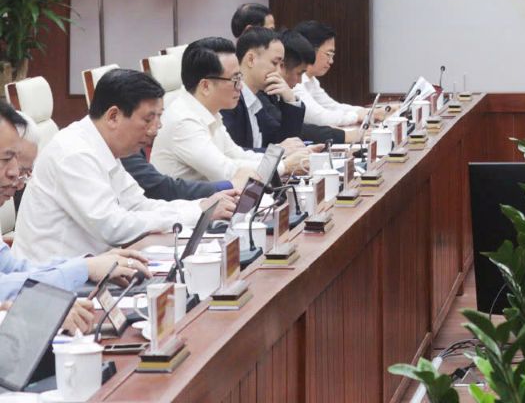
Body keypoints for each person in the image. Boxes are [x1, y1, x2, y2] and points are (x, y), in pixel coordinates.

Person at [13, 70, 233, 264]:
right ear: (113, 116)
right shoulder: (74, 153)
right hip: (53, 282)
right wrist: (196, 212)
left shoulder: (103, 147)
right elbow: (114, 227)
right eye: (148, 119)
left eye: (159, 118)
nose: (156, 129)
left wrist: (201, 207)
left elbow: (139, 206)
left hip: (90, 270)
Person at [0, 103, 148, 333]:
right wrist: (84, 268)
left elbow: (13, 269)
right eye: (5, 159)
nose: (13, 173)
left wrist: (88, 265)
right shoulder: (72, 152)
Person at [154, 37, 308, 183]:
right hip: (189, 207)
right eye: (235, 80)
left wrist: (289, 157)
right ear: (205, 86)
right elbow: (227, 172)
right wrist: (285, 166)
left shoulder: (208, 111)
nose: (240, 86)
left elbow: (237, 155)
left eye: (240, 78)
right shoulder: (184, 121)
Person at [222, 27, 306, 152]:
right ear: (251, 59)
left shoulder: (255, 99)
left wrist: (290, 100)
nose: (278, 72)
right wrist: (276, 151)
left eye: (281, 65)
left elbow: (284, 141)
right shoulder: (228, 100)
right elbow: (233, 154)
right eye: (274, 63)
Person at [292, 20, 377, 128]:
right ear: (309, 49)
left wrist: (365, 112)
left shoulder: (311, 80)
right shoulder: (294, 80)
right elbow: (320, 118)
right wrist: (356, 116)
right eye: (328, 54)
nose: (331, 61)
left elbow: (332, 107)